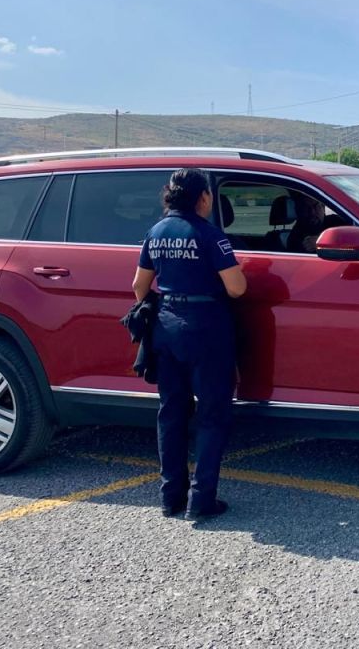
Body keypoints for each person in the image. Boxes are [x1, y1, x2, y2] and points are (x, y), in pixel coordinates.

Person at [132, 168, 247, 521]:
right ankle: (201, 501)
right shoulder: (210, 236)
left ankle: (171, 498)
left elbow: (139, 286)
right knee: (212, 415)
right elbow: (237, 288)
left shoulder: (157, 231)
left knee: (172, 412)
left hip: (166, 328)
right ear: (203, 198)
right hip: (206, 328)